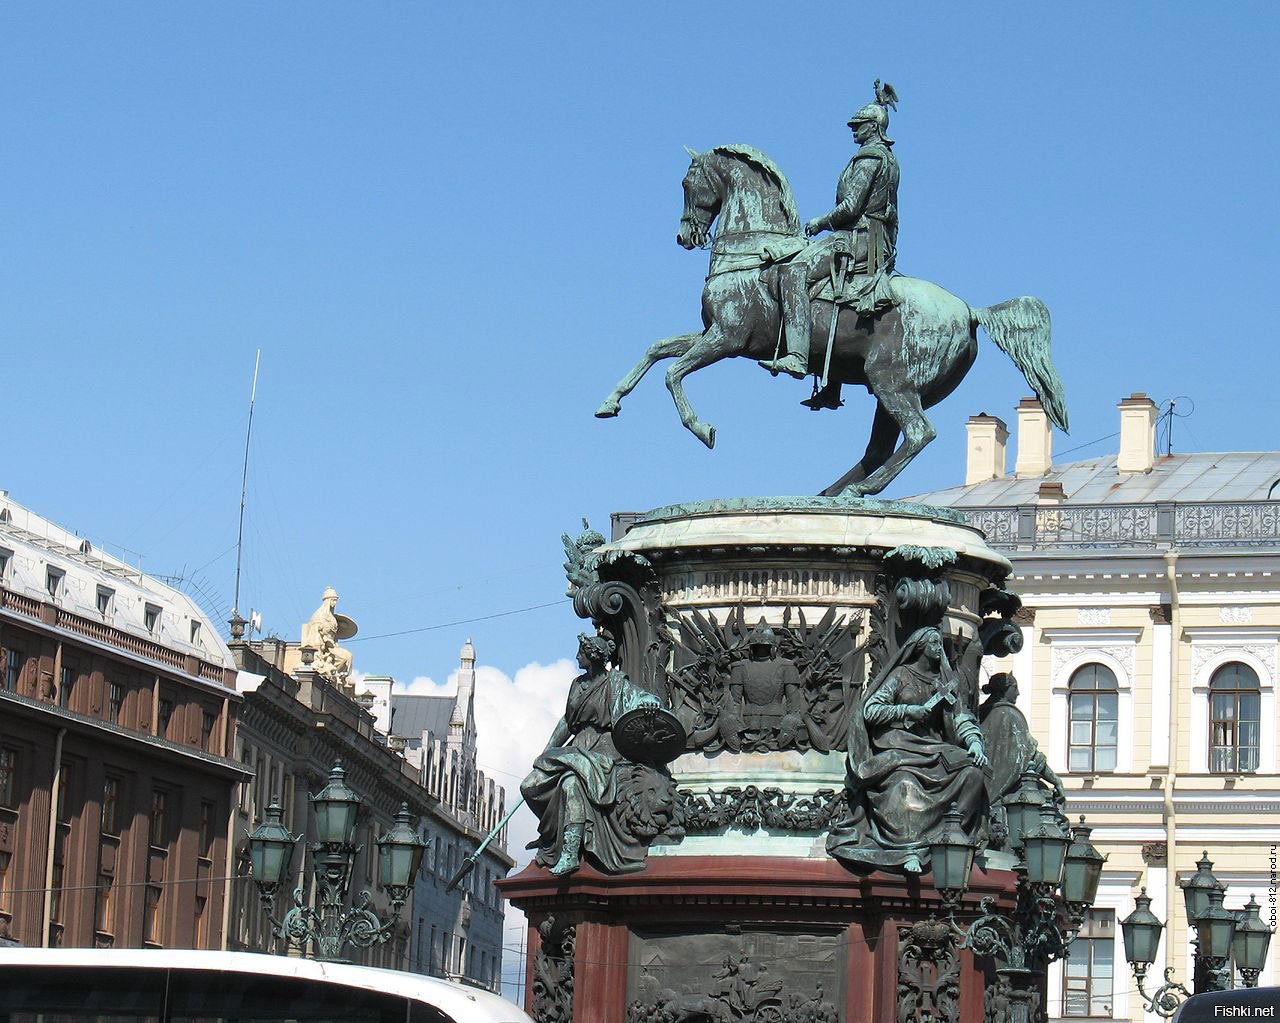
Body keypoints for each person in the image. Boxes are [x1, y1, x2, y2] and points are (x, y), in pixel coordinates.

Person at [760, 81, 901, 406]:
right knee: (829, 294)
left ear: (874, 126)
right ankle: (832, 383)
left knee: (793, 271)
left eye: (859, 126)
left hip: (860, 238)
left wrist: (820, 222)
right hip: (873, 238)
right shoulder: (887, 158)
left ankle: (796, 355)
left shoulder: (869, 159)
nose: (854, 131)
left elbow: (851, 207)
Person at [827, 625, 988, 874]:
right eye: (933, 643)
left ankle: (949, 839)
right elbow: (871, 710)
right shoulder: (901, 675)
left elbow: (960, 717)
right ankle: (908, 849)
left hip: (934, 749)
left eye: (939, 644)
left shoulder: (943, 682)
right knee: (904, 784)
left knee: (973, 775)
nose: (938, 648)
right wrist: (907, 711)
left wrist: (974, 742)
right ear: (920, 647)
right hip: (899, 746)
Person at [521, 634, 667, 875]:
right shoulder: (577, 685)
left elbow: (642, 698)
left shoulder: (616, 682)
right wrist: (547, 752)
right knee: (530, 785)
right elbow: (567, 721)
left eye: (581, 653)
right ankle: (553, 833)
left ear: (593, 657)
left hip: (604, 751)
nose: (578, 656)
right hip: (577, 748)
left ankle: (570, 850)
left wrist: (650, 700)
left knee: (571, 783)